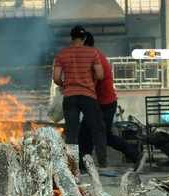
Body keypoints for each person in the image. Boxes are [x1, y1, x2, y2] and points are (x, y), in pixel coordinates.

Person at [78, 32, 146, 171]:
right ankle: (84, 164)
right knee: (88, 133)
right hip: (102, 103)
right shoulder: (95, 55)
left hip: (104, 104)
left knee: (93, 134)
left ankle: (134, 154)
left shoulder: (93, 58)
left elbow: (92, 82)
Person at [53, 25, 107, 175]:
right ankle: (102, 162)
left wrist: (65, 85)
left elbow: (56, 78)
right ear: (83, 38)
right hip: (88, 95)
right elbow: (100, 75)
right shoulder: (92, 52)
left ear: (71, 38)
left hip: (70, 96)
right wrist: (90, 81)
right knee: (97, 128)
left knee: (71, 132)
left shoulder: (62, 54)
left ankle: (72, 165)